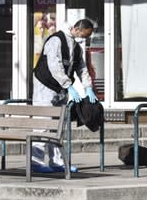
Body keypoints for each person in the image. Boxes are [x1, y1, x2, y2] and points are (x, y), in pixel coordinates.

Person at [31, 18, 98, 173]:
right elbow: (55, 66)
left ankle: (57, 162)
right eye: (84, 36)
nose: (83, 39)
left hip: (60, 88)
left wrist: (88, 87)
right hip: (45, 85)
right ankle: (35, 161)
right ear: (78, 29)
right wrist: (69, 86)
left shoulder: (75, 46)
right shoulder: (56, 40)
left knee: (58, 127)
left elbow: (81, 67)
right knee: (43, 125)